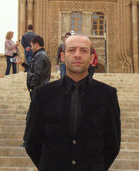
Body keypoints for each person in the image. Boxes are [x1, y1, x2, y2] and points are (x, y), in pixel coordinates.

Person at [24, 34, 121, 171]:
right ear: (63, 57)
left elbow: (112, 144)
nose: (77, 55)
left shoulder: (107, 95)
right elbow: (31, 142)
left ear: (92, 58)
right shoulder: (43, 95)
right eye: (72, 50)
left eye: (84, 50)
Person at [17, 35, 51, 100]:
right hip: (40, 89)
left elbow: (37, 73)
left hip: (38, 90)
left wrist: (32, 87)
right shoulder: (41, 54)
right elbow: (32, 68)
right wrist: (22, 63)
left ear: (36, 44)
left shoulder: (40, 55)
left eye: (32, 45)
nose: (31, 48)